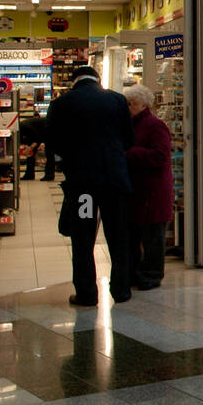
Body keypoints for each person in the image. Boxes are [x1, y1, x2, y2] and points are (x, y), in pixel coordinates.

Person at [48, 65, 134, 306]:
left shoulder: (62, 103)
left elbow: (54, 142)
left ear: (74, 81)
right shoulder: (117, 100)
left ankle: (86, 293)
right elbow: (129, 139)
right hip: (113, 183)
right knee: (118, 235)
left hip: (83, 185)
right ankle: (121, 290)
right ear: (97, 79)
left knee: (83, 238)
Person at [123, 85, 173, 292]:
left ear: (144, 105)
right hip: (137, 190)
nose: (128, 108)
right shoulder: (130, 125)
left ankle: (152, 274)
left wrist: (129, 153)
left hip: (153, 192)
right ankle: (137, 272)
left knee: (153, 236)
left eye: (131, 104)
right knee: (135, 235)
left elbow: (160, 156)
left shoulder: (155, 126)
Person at [19, 102, 54, 181]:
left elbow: (37, 137)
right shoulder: (21, 130)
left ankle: (49, 175)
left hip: (48, 131)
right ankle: (29, 174)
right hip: (39, 132)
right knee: (30, 154)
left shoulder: (25, 127)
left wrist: (31, 147)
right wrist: (27, 148)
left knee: (49, 153)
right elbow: (28, 140)